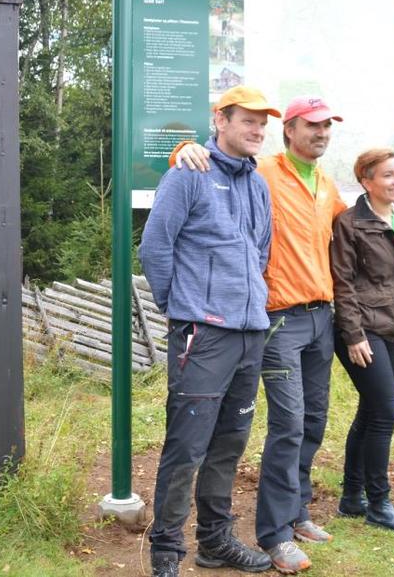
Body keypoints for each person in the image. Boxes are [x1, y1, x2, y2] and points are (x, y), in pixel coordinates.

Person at [172, 94, 346, 574]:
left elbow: (351, 224)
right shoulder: (263, 170)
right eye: (312, 125)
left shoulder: (326, 184)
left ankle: (296, 512)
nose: (322, 133)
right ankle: (273, 534)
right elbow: (210, 162)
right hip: (279, 319)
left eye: (327, 126)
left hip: (321, 316)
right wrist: (183, 147)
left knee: (312, 419)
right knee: (287, 424)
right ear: (289, 129)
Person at [140, 85, 279, 577]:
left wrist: (248, 307)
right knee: (187, 444)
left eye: (264, 122)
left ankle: (215, 542)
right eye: (248, 120)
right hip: (204, 333)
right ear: (220, 120)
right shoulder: (189, 174)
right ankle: (165, 553)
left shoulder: (257, 184)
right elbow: (154, 248)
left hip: (248, 334)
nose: (258, 130)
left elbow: (259, 253)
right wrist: (181, 310)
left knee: (229, 443)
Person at [330, 149, 394, 534]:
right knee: (385, 413)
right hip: (362, 332)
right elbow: (343, 283)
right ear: (366, 181)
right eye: (388, 175)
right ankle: (380, 502)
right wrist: (353, 335)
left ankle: (352, 498)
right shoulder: (350, 224)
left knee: (371, 412)